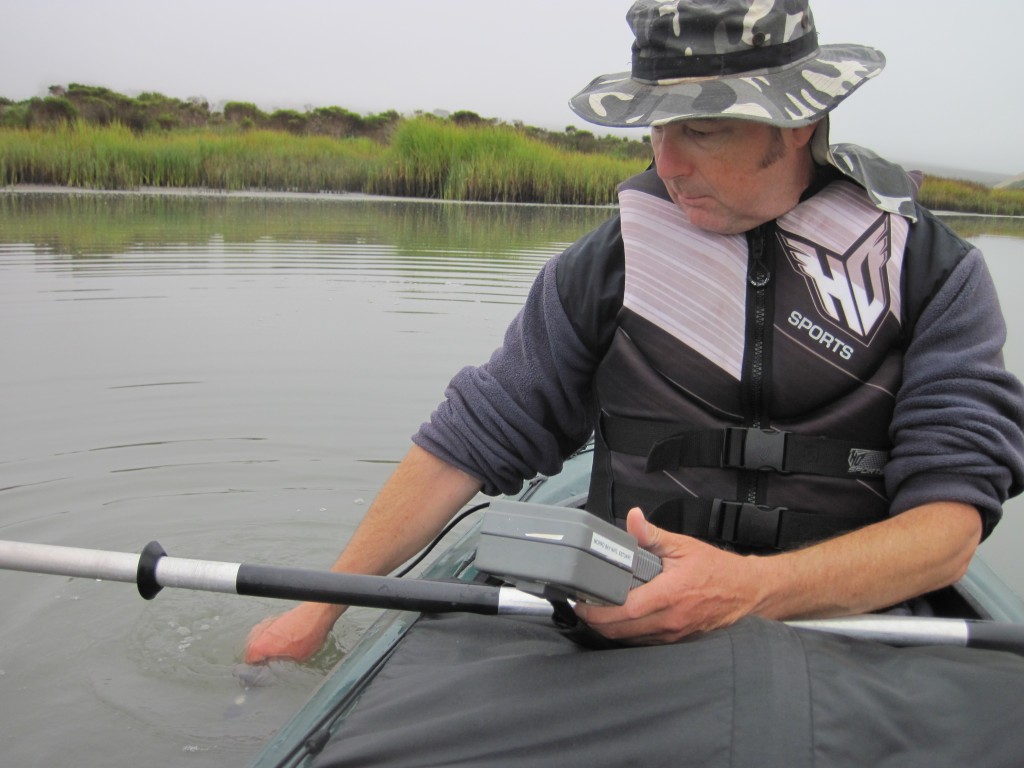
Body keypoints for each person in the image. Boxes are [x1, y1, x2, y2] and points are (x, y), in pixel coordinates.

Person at [245, 0, 1024, 662]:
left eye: (704, 131)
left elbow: (947, 532)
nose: (668, 162)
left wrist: (749, 591)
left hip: (846, 633)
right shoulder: (609, 263)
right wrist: (317, 612)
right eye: (655, 128)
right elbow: (469, 437)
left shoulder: (932, 275)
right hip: (630, 624)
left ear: (798, 123)